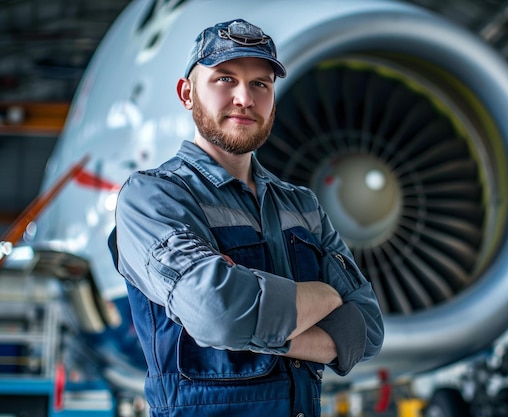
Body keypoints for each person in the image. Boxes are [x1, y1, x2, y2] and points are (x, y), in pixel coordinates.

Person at [109, 18, 384, 417]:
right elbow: (217, 313)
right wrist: (327, 296)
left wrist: (253, 327)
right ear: (187, 94)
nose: (245, 98)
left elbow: (368, 330)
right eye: (224, 79)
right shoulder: (154, 197)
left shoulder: (302, 206)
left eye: (260, 84)